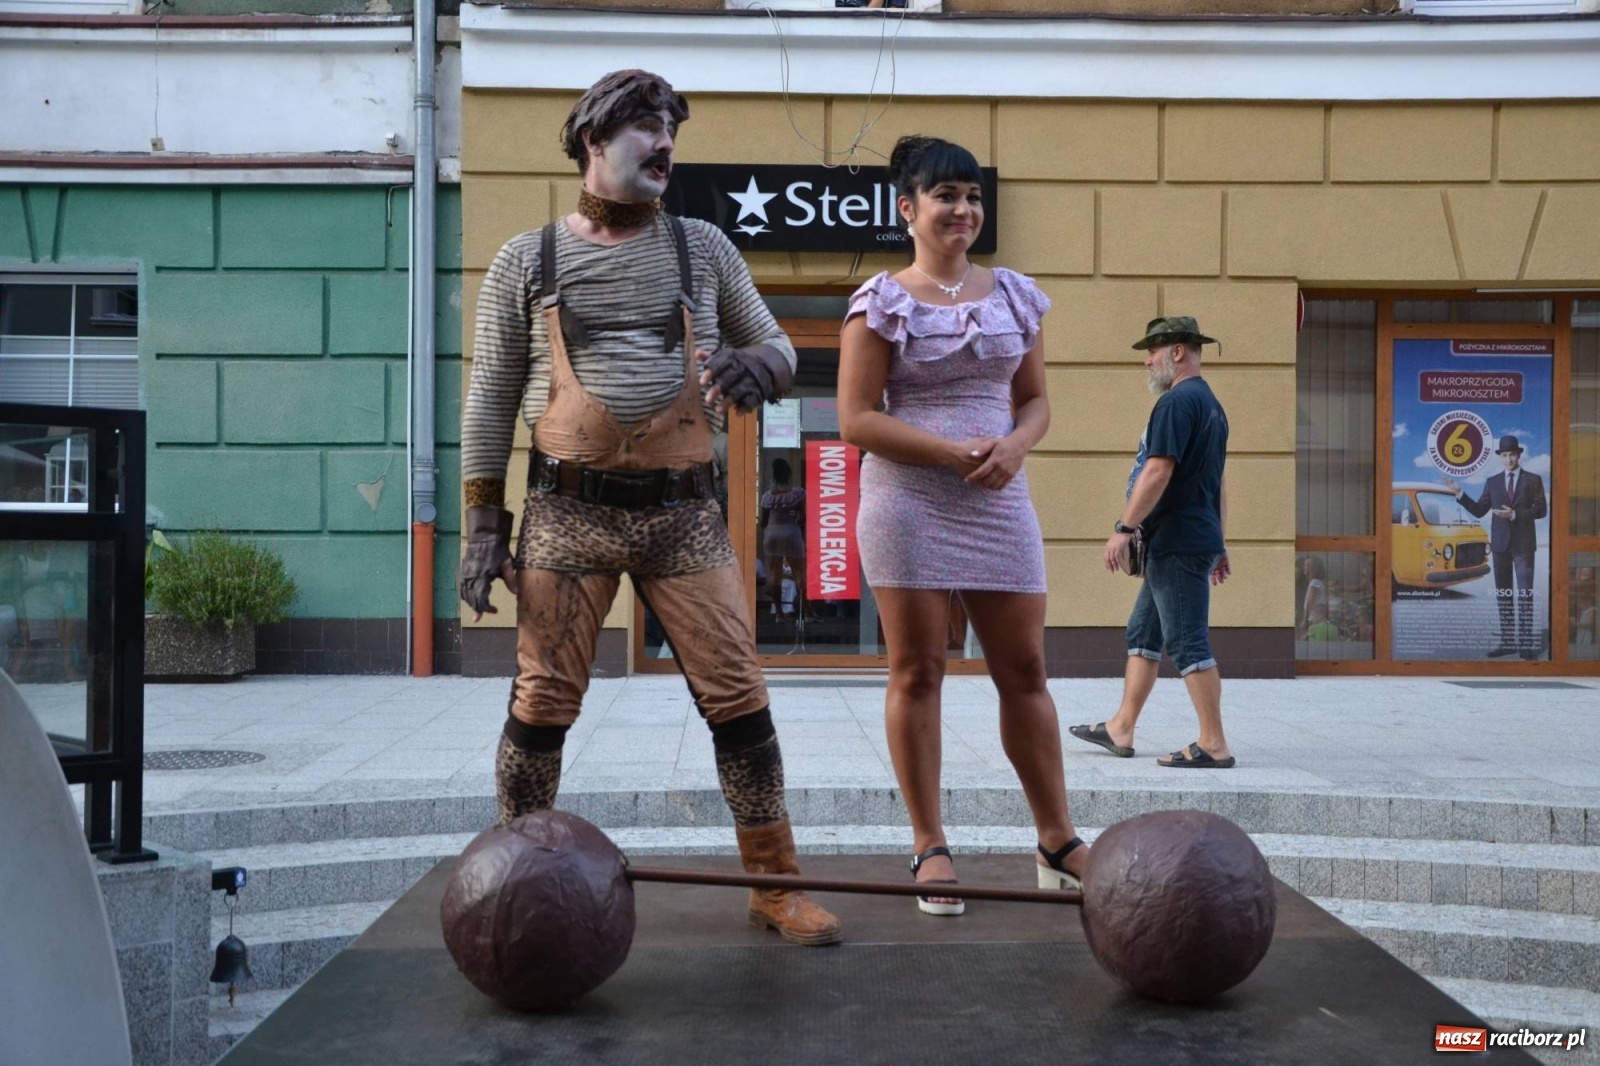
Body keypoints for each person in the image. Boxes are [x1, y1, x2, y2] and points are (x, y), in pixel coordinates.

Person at [457, 69, 840, 946]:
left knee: (739, 693)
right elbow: (489, 400)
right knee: (543, 697)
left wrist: (762, 367)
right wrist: (483, 528)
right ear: (593, 140)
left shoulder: (702, 248)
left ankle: (775, 885)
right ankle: (512, 875)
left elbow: (779, 344)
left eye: (671, 127)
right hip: (567, 513)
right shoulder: (526, 260)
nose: (665, 142)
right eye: (644, 126)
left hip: (684, 515)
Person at [838, 134, 1088, 915]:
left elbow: (1035, 400)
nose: (963, 210)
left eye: (973, 196)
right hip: (909, 501)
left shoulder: (1014, 294)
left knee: (1026, 671)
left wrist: (1015, 445)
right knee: (918, 671)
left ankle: (1057, 840)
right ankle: (929, 844)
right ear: (907, 209)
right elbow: (856, 419)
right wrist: (949, 453)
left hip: (999, 497)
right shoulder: (881, 301)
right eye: (946, 195)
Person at [1069, 316, 1233, 769]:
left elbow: (1158, 471)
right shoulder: (1212, 406)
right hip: (1188, 538)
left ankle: (1214, 743)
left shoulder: (1176, 403)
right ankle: (1121, 727)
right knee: (1144, 633)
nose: (1147, 361)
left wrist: (1123, 529)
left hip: (1177, 542)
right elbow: (1217, 483)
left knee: (1188, 642)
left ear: (1177, 352)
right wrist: (1219, 541)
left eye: (1153, 351)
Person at [1444, 435, 1547, 660]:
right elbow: (1480, 510)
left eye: (1512, 455)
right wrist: (1459, 493)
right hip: (1500, 546)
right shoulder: (1493, 482)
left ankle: (1526, 645)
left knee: (1525, 595)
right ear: (1501, 457)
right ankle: (1508, 643)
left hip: (1523, 546)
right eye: (1505, 455)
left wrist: (1516, 514)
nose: (1509, 459)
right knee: (1503, 595)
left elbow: (1541, 510)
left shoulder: (1533, 480)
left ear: (1518, 455)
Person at [759, 458, 806, 623]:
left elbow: (763, 522)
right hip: (791, 532)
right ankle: (805, 612)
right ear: (789, 474)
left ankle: (779, 613)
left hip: (772, 534)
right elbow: (803, 518)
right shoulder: (797, 493)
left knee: (774, 574)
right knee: (798, 572)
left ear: (774, 475)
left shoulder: (767, 497)